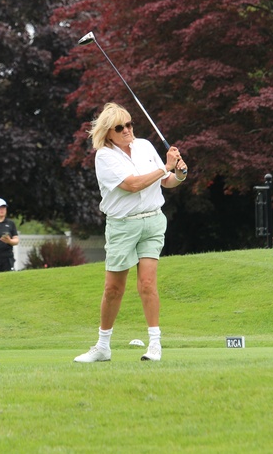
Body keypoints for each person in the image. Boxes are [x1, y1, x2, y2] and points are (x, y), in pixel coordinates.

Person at [74, 102, 188, 363]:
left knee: (148, 283)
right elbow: (133, 185)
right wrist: (166, 166)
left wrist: (179, 174)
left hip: (153, 221)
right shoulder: (104, 156)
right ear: (108, 133)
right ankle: (103, 346)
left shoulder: (145, 146)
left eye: (129, 124)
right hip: (123, 226)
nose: (127, 130)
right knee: (113, 288)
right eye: (119, 127)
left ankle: (155, 344)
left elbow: (165, 181)